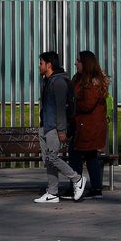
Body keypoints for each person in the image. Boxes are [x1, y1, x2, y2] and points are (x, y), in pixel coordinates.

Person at [35, 50, 87, 204]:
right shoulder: (48, 80)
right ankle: (52, 193)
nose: (39, 66)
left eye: (41, 63)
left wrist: (61, 130)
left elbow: (60, 108)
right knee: (48, 160)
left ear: (49, 65)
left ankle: (77, 179)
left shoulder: (58, 82)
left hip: (54, 128)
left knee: (52, 157)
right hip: (45, 126)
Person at [68, 51, 110, 199]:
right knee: (90, 156)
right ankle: (95, 188)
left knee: (76, 154)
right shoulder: (79, 79)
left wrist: (72, 104)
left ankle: (77, 185)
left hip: (88, 126)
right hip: (84, 125)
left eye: (78, 61)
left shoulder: (92, 82)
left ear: (86, 64)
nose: (76, 63)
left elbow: (87, 105)